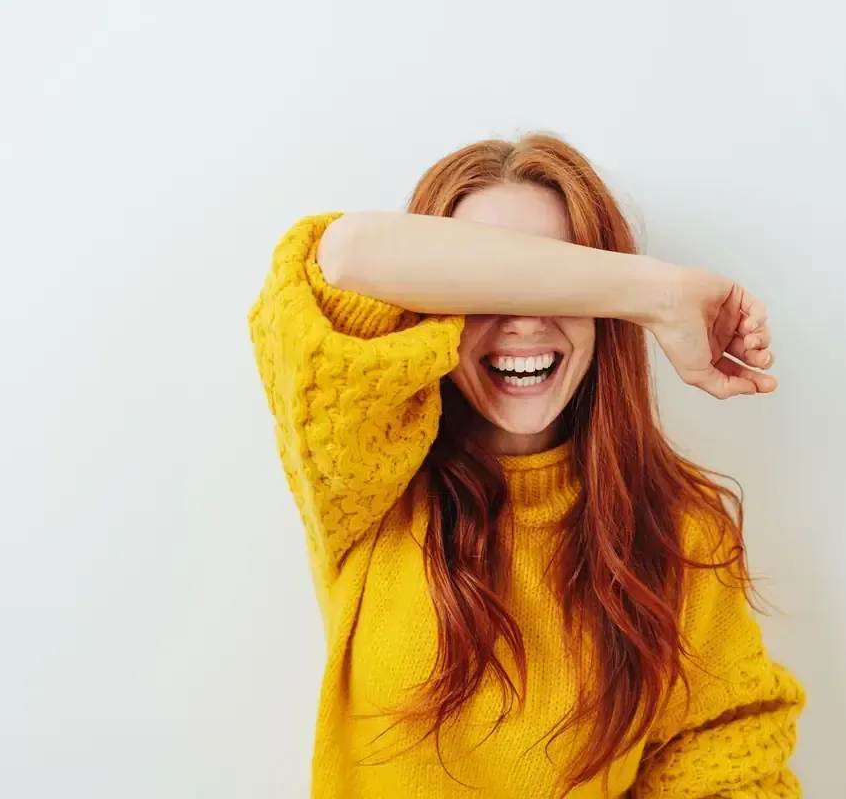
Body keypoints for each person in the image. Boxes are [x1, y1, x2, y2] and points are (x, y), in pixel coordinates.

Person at [248, 133, 805, 798]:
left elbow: (724, 754)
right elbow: (344, 256)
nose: (524, 322)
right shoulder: (371, 482)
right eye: (488, 281)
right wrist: (658, 292)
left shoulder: (680, 527)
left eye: (558, 281)